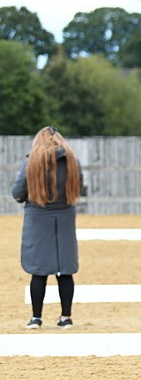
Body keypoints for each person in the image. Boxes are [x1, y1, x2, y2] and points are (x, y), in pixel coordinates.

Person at [12, 127, 82, 329]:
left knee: (38, 270)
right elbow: (80, 187)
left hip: (38, 217)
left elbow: (18, 193)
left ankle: (36, 317)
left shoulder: (31, 162)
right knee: (65, 270)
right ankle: (65, 317)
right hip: (65, 216)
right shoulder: (71, 162)